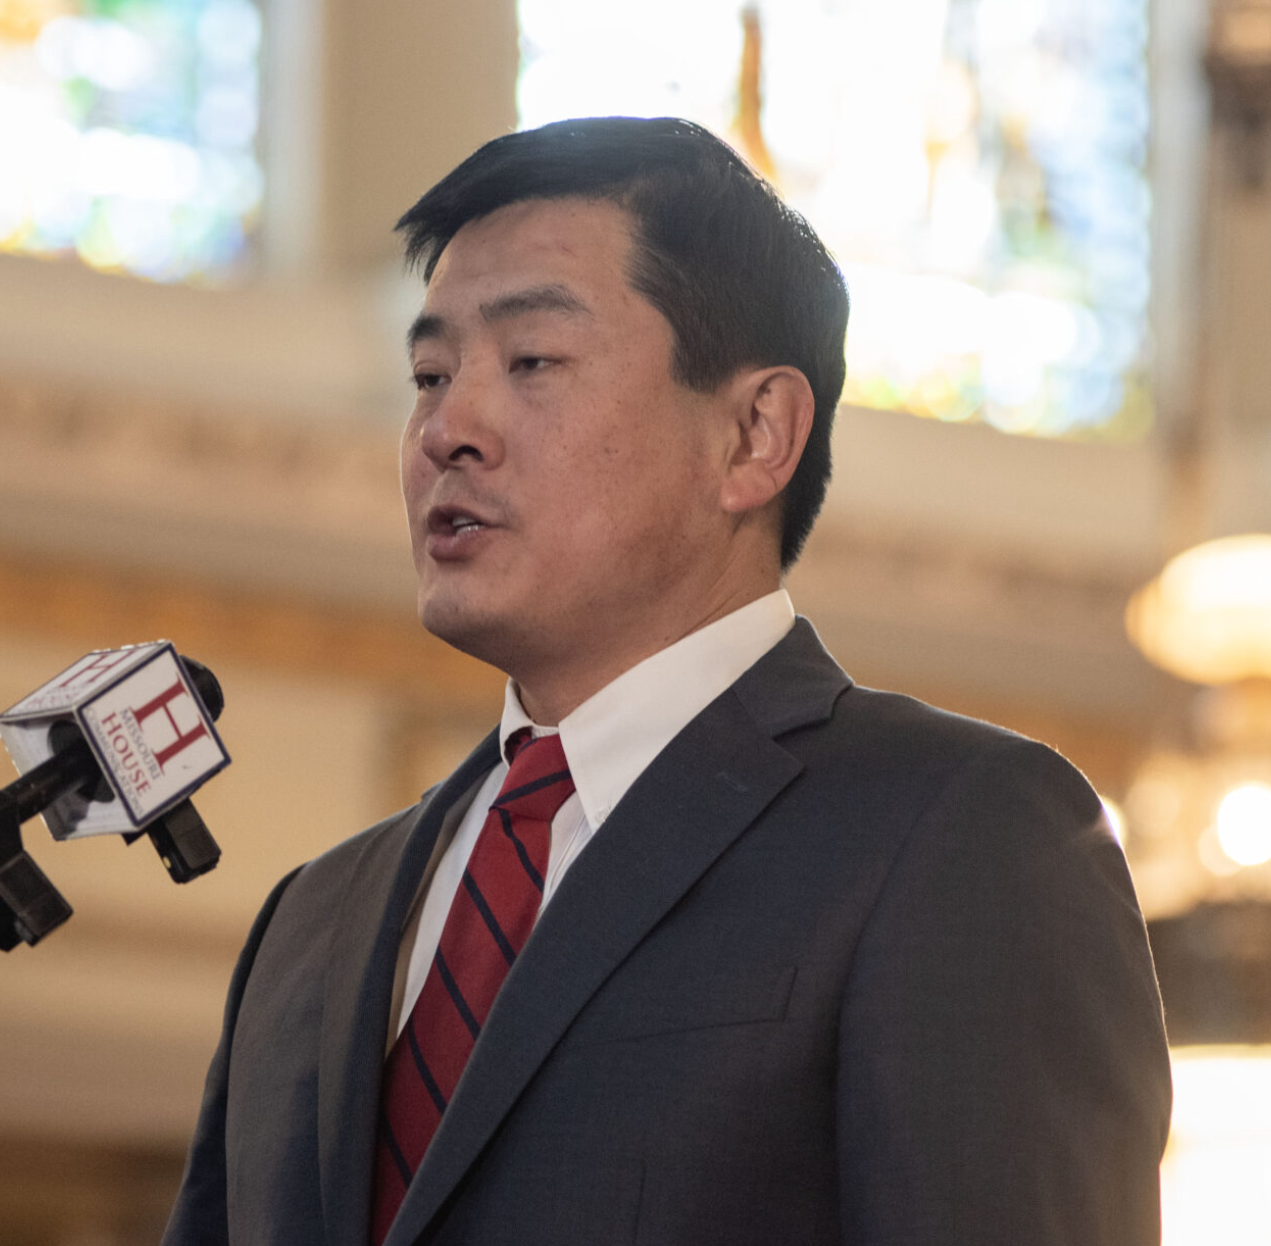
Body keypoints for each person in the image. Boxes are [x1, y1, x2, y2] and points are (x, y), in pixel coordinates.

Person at [161, 116, 1170, 1246]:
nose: (450, 427)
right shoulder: (314, 919)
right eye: (428, 372)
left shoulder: (956, 834)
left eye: (532, 360)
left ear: (755, 433)